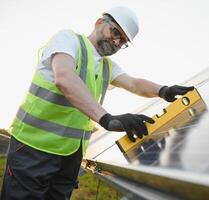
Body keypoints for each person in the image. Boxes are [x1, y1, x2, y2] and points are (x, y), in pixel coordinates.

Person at [0, 6, 194, 199]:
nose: (116, 42)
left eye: (123, 42)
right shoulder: (68, 40)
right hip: (33, 147)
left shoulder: (106, 66)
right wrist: (106, 119)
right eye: (116, 32)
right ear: (100, 22)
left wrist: (163, 90)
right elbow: (64, 78)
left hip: (70, 155)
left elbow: (134, 84)